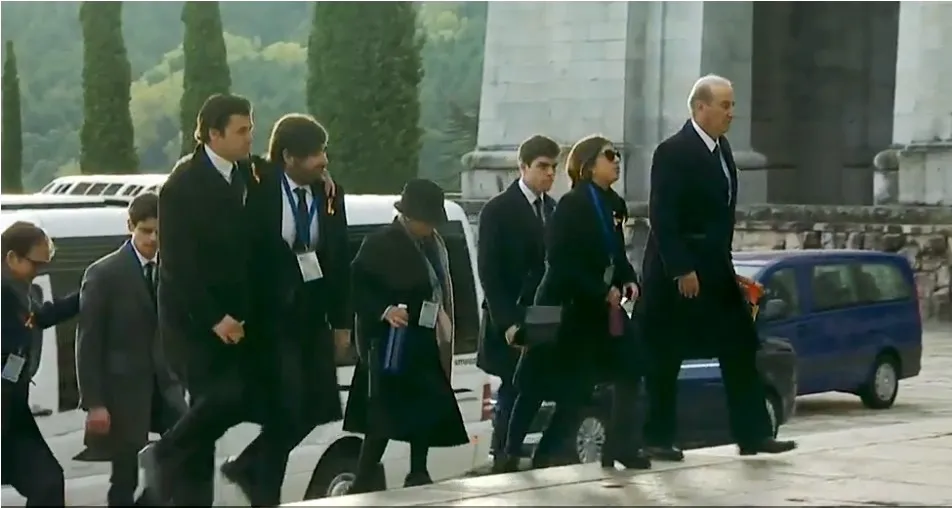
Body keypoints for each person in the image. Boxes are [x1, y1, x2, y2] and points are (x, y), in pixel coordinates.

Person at [640, 74, 797, 460]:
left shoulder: (723, 151)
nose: (732, 113)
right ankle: (657, 437)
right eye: (725, 105)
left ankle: (753, 434)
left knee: (741, 345)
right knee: (666, 355)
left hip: (717, 269)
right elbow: (662, 215)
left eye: (732, 105)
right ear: (700, 107)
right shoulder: (673, 151)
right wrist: (681, 268)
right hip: (677, 273)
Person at [218, 113, 350, 506]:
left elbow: (338, 258)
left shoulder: (328, 194)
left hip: (311, 316)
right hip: (268, 318)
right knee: (285, 406)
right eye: (315, 155)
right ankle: (262, 489)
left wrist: (341, 322)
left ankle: (249, 465)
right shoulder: (257, 185)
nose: (323, 161)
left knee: (316, 407)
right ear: (288, 157)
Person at [141, 93, 261, 505]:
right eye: (241, 131)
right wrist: (214, 318)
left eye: (251, 129)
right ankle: (168, 458)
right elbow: (177, 266)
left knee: (225, 407)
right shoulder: (181, 187)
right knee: (218, 402)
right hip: (194, 322)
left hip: (238, 318)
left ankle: (165, 482)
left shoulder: (248, 174)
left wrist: (324, 181)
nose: (250, 139)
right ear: (213, 133)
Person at [516, 134, 651, 471]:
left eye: (618, 154)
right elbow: (561, 261)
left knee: (631, 368)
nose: (617, 160)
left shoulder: (614, 204)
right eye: (609, 156)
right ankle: (531, 454)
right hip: (570, 308)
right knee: (564, 391)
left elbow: (616, 254)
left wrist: (628, 280)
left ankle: (621, 447)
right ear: (589, 165)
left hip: (605, 309)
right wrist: (598, 289)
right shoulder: (573, 205)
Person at [343, 179, 468, 493]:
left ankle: (418, 470)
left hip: (422, 340)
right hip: (389, 344)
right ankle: (363, 478)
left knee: (424, 408)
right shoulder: (380, 243)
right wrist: (384, 310)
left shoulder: (433, 245)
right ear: (410, 218)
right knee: (381, 417)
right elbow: (355, 288)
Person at [74, 192, 187, 506]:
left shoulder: (174, 269)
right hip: (123, 392)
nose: (152, 238)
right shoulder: (104, 273)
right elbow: (88, 342)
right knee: (124, 477)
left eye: (159, 232)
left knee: (186, 454)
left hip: (168, 386)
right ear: (130, 226)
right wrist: (94, 402)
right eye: (146, 230)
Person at [476, 134, 559, 472]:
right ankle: (503, 454)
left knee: (536, 383)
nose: (549, 174)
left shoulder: (553, 209)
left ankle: (521, 449)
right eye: (542, 166)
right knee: (512, 384)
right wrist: (507, 322)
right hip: (510, 312)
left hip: (543, 310)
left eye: (553, 167)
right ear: (522, 166)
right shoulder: (498, 209)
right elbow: (489, 271)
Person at [1, 221, 80, 506]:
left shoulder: (24, 292)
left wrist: (87, 294)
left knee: (47, 482)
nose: (41, 271)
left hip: (12, 407)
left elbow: (39, 318)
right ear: (12, 258)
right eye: (37, 264)